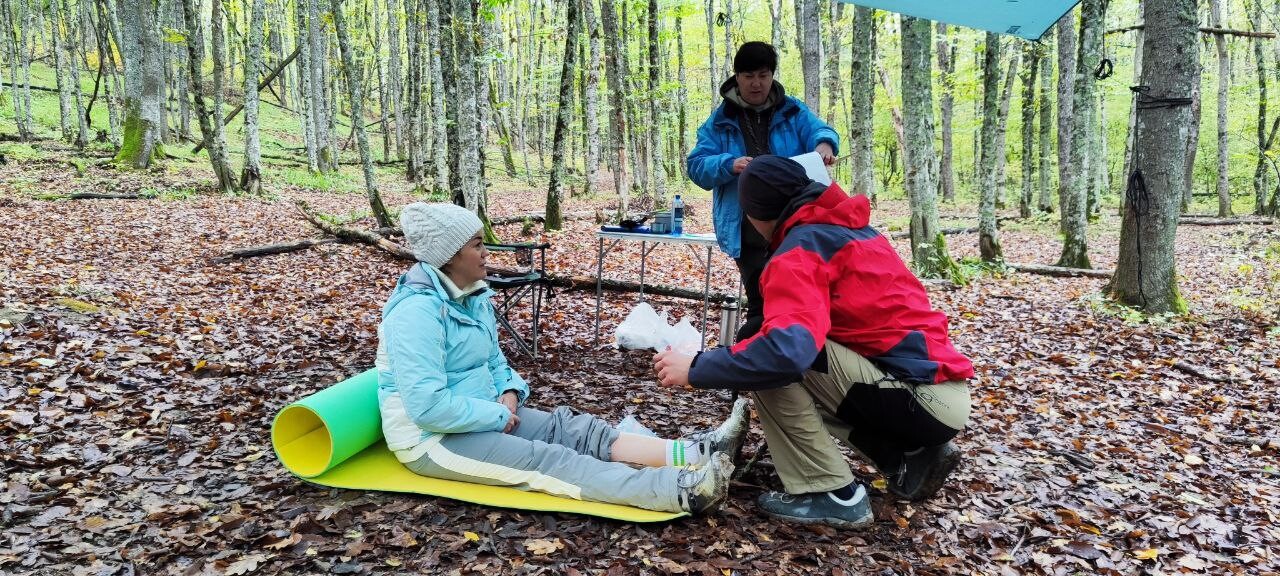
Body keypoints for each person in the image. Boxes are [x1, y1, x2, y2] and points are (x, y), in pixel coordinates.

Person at [653, 156, 974, 529]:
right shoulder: (845, 228)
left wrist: (696, 368)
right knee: (775, 352)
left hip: (919, 396)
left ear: (755, 214)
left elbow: (784, 354)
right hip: (940, 393)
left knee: (769, 360)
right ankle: (909, 455)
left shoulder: (799, 250)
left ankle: (831, 493)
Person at [376, 202, 749, 515]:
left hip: (483, 412)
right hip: (433, 439)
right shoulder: (416, 314)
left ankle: (700, 451)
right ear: (449, 255)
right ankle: (681, 490)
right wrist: (496, 414)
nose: (486, 252)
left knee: (572, 429)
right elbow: (426, 407)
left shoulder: (472, 295)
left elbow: (493, 360)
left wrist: (508, 389)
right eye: (476, 244)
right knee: (551, 461)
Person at [686, 41, 839, 341]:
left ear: (771, 76)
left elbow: (822, 131)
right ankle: (758, 369)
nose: (756, 83)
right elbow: (697, 166)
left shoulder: (793, 111)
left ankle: (800, 365)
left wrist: (824, 144)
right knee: (760, 303)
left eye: (763, 74)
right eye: (748, 76)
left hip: (794, 226)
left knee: (798, 300)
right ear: (736, 78)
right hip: (746, 230)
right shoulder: (719, 122)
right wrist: (729, 164)